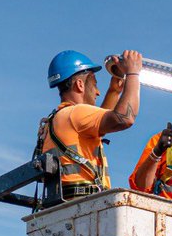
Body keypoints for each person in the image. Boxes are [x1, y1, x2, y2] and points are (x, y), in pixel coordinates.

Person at [35, 49, 143, 201]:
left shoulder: (59, 118)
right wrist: (133, 73)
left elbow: (100, 123)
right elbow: (125, 118)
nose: (98, 92)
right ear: (80, 85)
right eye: (95, 85)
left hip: (68, 203)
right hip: (84, 204)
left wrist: (114, 91)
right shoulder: (76, 113)